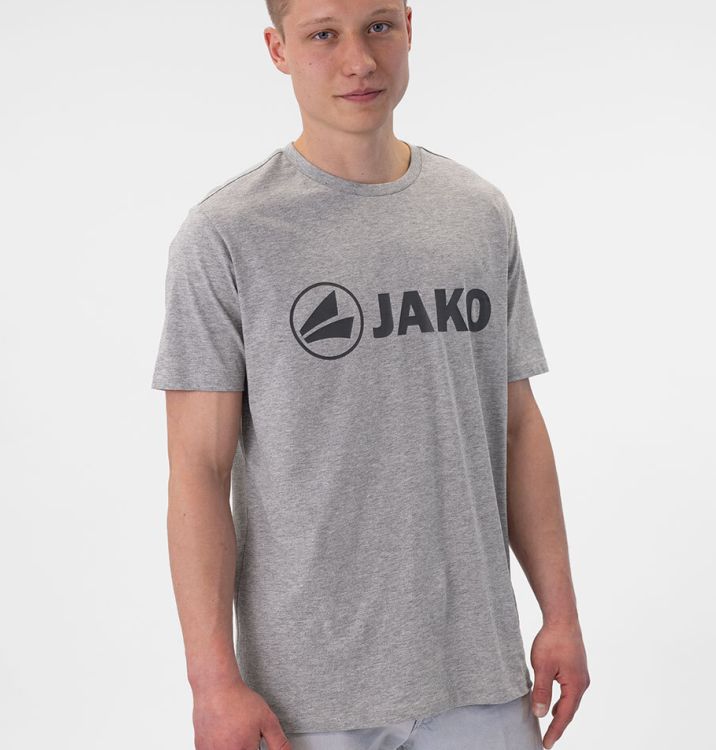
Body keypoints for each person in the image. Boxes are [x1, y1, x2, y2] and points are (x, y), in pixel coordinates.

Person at [151, 1, 590, 748]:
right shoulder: (227, 233)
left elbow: (516, 425)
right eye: (323, 34)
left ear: (410, 29)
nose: (358, 60)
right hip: (307, 694)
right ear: (277, 49)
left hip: (480, 672)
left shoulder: (477, 212)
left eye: (378, 26)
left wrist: (561, 614)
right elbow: (198, 468)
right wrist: (212, 681)